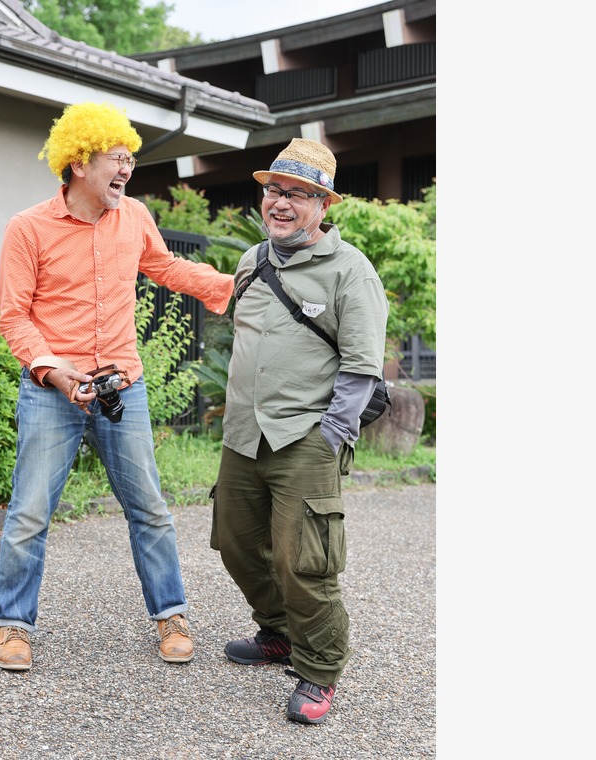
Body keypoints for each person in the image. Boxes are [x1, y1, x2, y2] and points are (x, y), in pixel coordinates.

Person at [0, 102, 234, 671]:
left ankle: (170, 614)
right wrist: (52, 370)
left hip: (124, 384)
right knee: (29, 512)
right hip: (54, 389)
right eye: (116, 159)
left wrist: (235, 283)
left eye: (130, 160)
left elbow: (168, 268)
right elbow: (14, 317)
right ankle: (12, 626)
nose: (126, 169)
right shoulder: (28, 228)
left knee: (149, 506)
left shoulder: (135, 218)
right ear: (78, 163)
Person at [212, 138, 389, 723]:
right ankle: (279, 633)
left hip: (307, 438)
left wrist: (332, 435)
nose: (280, 202)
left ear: (322, 204)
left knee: (304, 560)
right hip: (243, 435)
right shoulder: (250, 261)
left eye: (297, 194)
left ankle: (319, 670)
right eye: (273, 190)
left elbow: (362, 365)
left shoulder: (350, 270)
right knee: (237, 543)